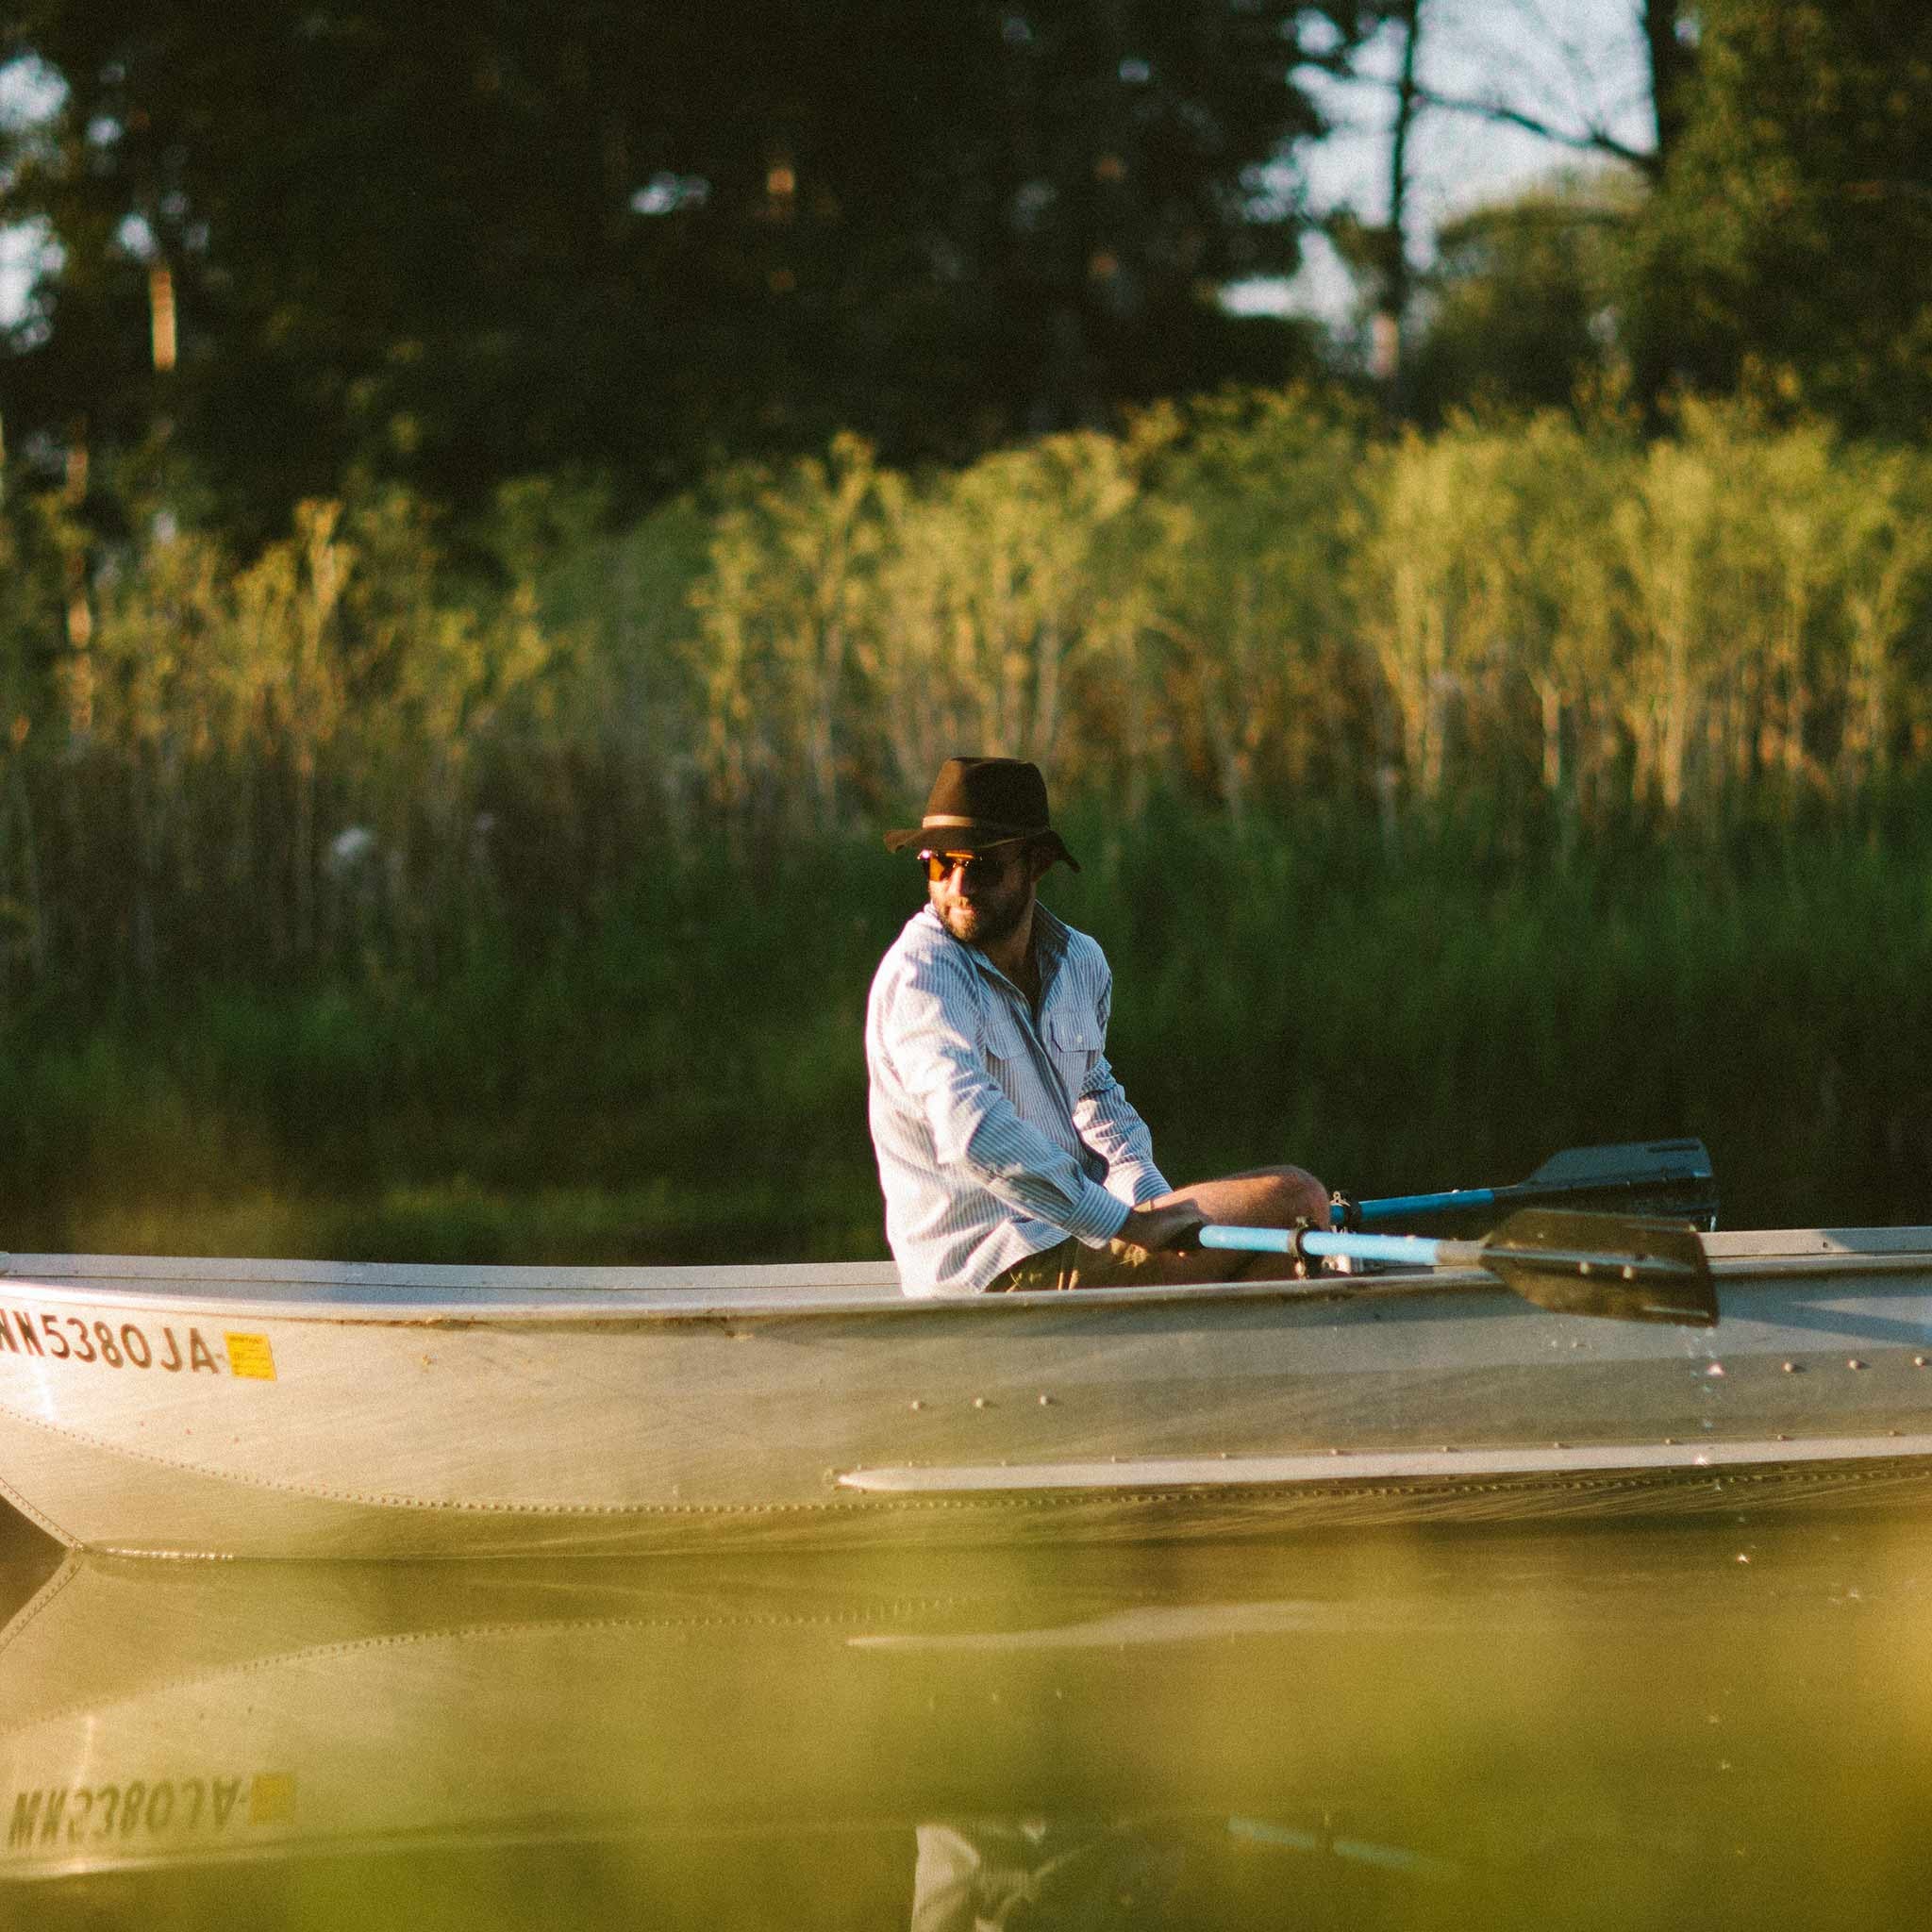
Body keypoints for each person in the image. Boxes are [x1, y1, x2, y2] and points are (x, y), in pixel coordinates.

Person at [865, 756, 1328, 1296]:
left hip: (1069, 1242)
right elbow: (971, 1130)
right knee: (1295, 1200)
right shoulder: (922, 973)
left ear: (1037, 864)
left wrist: (1159, 1208)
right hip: (989, 1271)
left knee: (1285, 1244)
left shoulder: (1080, 961)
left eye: (983, 865)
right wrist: (1128, 1224)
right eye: (940, 864)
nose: (958, 885)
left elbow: (1097, 1102)